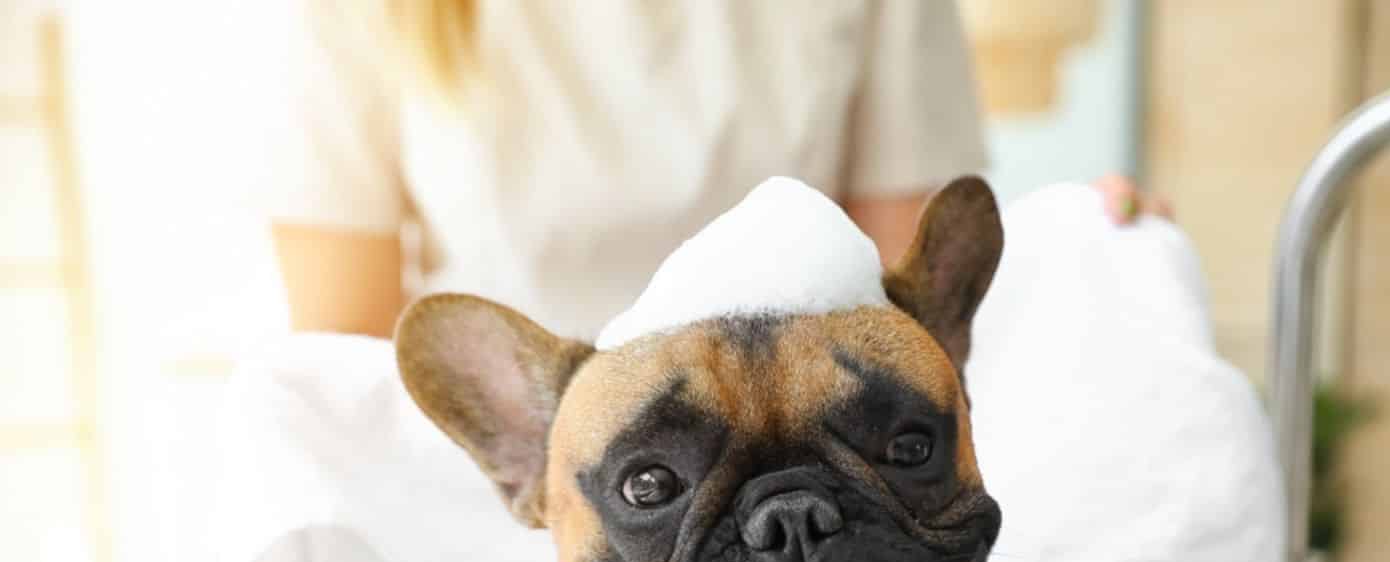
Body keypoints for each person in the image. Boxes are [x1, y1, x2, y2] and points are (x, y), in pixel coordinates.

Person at [266, 0, 1166, 339]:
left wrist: (1075, 253)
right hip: (493, 480)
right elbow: (341, 357)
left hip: (781, 465)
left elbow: (913, 316)